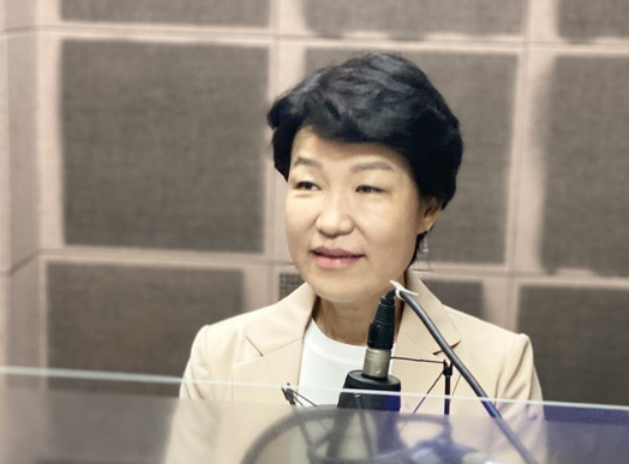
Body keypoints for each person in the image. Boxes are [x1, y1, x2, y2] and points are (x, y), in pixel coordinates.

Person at [180, 52, 542, 415]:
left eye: (368, 188)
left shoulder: (498, 368)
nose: (331, 222)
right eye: (308, 184)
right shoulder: (219, 356)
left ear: (428, 209)